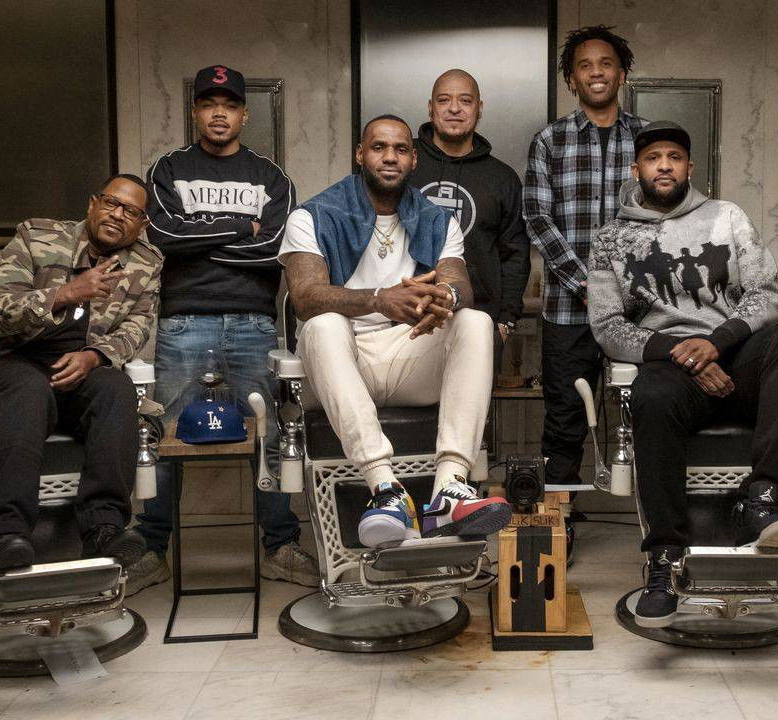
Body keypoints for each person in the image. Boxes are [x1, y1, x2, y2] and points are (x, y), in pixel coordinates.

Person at [588, 122, 778, 627]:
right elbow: (607, 326)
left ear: (690, 167)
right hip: (672, 369)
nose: (664, 166)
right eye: (654, 158)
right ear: (636, 169)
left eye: (674, 157)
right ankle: (664, 556)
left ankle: (763, 500)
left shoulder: (726, 217)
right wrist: (683, 354)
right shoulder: (611, 239)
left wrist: (715, 343)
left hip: (734, 354)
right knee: (649, 394)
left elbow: (765, 295)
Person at [280, 114, 512, 548]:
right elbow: (306, 297)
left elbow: (460, 284)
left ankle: (450, 489)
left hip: (409, 356)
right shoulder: (313, 215)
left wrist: (445, 296)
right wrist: (377, 299)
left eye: (401, 149)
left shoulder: (437, 220)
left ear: (414, 160)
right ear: (360, 154)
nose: (390, 157)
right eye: (379, 147)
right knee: (323, 323)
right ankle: (385, 489)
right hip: (341, 362)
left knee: (475, 320)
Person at [132, 64, 318, 592]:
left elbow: (275, 248)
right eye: (209, 104)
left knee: (270, 435)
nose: (220, 113)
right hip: (183, 320)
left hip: (253, 322)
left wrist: (199, 238)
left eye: (230, 105)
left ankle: (279, 546)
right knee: (162, 435)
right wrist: (240, 226)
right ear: (195, 111)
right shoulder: (168, 169)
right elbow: (163, 236)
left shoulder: (271, 178)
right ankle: (151, 548)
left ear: (244, 114)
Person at [0, 174, 162, 578]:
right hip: (2, 365)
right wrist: (65, 294)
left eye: (131, 212)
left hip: (72, 372)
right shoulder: (37, 236)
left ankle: (103, 528)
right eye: (111, 203)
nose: (117, 215)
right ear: (92, 204)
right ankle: (7, 536)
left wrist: (95, 357)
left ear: (142, 224)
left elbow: (136, 328)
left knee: (116, 388)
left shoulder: (147, 262)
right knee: (29, 390)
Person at [524, 25, 647, 489]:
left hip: (641, 311)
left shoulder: (650, 140)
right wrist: (588, 286)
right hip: (567, 310)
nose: (596, 72)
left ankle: (657, 515)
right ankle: (561, 515)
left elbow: (667, 220)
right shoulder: (549, 141)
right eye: (584, 65)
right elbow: (537, 217)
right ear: (571, 80)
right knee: (564, 419)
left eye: (606, 64)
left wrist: (624, 289)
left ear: (622, 74)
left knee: (653, 409)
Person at [410, 69, 530, 369]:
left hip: (478, 321)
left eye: (465, 100)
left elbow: (515, 255)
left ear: (479, 108)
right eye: (444, 100)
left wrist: (505, 322)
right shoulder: (403, 161)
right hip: (404, 316)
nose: (454, 108)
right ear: (430, 108)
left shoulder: (502, 178)